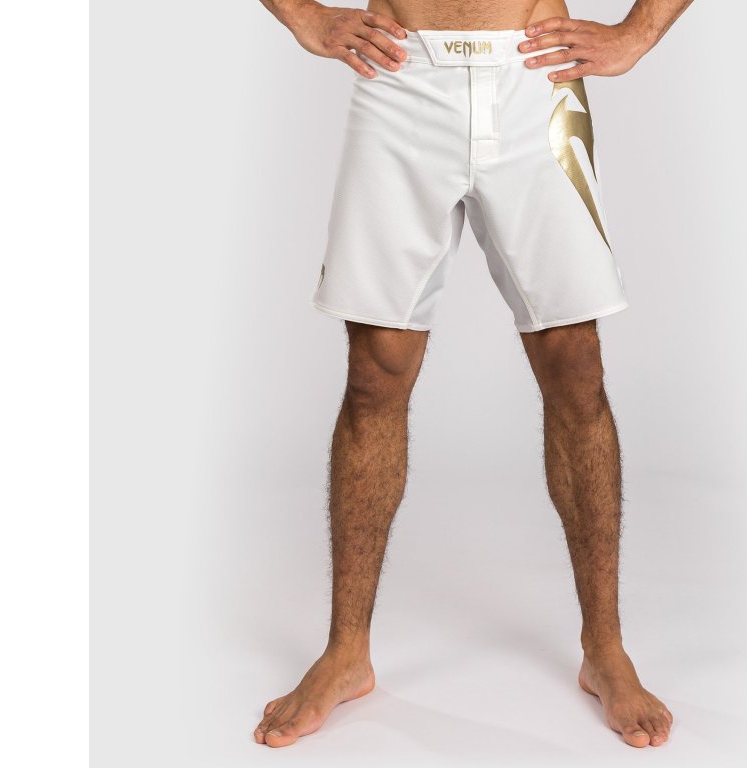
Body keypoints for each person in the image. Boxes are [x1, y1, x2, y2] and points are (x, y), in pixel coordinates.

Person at [253, 0, 694, 750]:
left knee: (573, 361)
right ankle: (346, 652)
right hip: (400, 78)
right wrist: (302, 14)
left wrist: (639, 32)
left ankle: (605, 648)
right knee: (376, 369)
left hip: (534, 80)